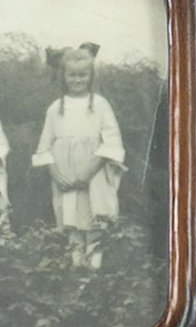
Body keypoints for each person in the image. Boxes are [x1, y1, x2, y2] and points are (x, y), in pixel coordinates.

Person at [32, 45, 126, 268]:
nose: (77, 80)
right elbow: (44, 148)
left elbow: (112, 142)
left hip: (93, 174)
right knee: (72, 221)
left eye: (83, 75)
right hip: (66, 176)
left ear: (91, 75)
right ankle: (77, 271)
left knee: (95, 220)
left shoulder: (100, 105)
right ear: (63, 76)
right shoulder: (56, 108)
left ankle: (94, 272)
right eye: (72, 75)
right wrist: (56, 175)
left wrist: (88, 172)